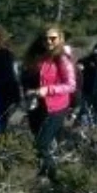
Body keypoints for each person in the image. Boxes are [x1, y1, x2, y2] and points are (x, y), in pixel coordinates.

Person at [24, 28, 76, 183]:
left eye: (53, 38)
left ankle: (53, 177)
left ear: (60, 39)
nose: (49, 41)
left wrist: (48, 90)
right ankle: (44, 174)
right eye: (46, 38)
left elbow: (70, 85)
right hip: (36, 106)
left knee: (42, 144)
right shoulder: (38, 57)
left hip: (56, 107)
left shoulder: (62, 59)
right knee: (39, 143)